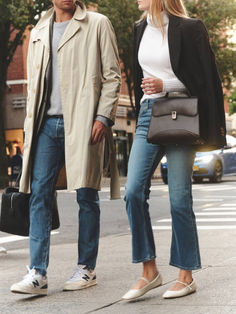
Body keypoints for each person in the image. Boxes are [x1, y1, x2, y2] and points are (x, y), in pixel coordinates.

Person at [11, 0, 120, 295]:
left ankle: (86, 268)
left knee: (86, 193)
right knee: (39, 196)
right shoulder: (38, 31)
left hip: (84, 122)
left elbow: (112, 75)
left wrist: (103, 116)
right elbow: (35, 86)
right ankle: (37, 273)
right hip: (45, 125)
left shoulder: (97, 23)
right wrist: (27, 127)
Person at [122, 0, 226, 301]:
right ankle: (149, 270)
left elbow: (205, 80)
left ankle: (186, 275)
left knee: (179, 197)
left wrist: (163, 83)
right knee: (132, 191)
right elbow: (138, 77)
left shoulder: (190, 28)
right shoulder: (139, 28)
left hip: (180, 112)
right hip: (146, 114)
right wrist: (149, 90)